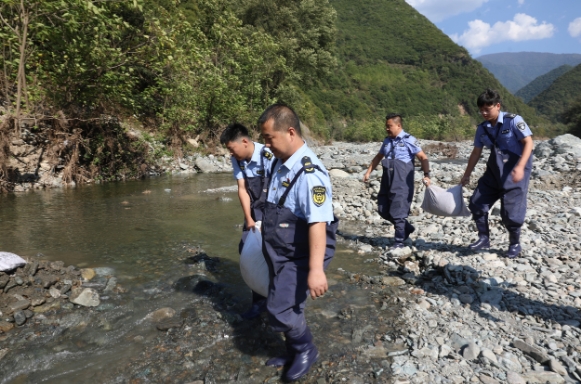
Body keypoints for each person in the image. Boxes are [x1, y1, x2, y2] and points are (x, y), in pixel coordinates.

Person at [258, 103, 338, 382]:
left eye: (269, 138)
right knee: (286, 303)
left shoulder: (309, 174)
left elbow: (318, 224)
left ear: (290, 132)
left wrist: (316, 270)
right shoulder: (280, 163)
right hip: (281, 248)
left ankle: (306, 349)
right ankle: (293, 348)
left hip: (302, 253)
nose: (266, 145)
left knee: (278, 309)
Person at [460, 89, 533, 258]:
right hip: (494, 170)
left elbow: (528, 143)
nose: (484, 113)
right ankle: (484, 238)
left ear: (497, 106)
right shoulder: (482, 128)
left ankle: (514, 244)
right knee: (477, 202)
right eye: (481, 110)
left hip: (515, 170)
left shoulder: (514, 121)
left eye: (488, 109)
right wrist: (467, 174)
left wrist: (521, 167)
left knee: (510, 213)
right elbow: (476, 152)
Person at [220, 122, 274, 319]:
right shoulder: (238, 159)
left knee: (272, 253)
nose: (231, 154)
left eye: (231, 149)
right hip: (253, 212)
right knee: (247, 250)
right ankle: (259, 302)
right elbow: (242, 189)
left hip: (272, 211)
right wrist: (250, 219)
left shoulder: (268, 154)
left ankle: (277, 300)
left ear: (244, 141)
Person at [363, 113, 431, 249]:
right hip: (387, 179)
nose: (387, 129)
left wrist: (427, 174)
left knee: (398, 211)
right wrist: (368, 172)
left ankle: (399, 242)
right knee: (382, 209)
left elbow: (423, 157)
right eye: (386, 126)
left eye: (389, 126)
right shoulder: (387, 141)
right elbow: (378, 157)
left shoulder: (409, 140)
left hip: (402, 180)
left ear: (398, 125)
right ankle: (406, 228)